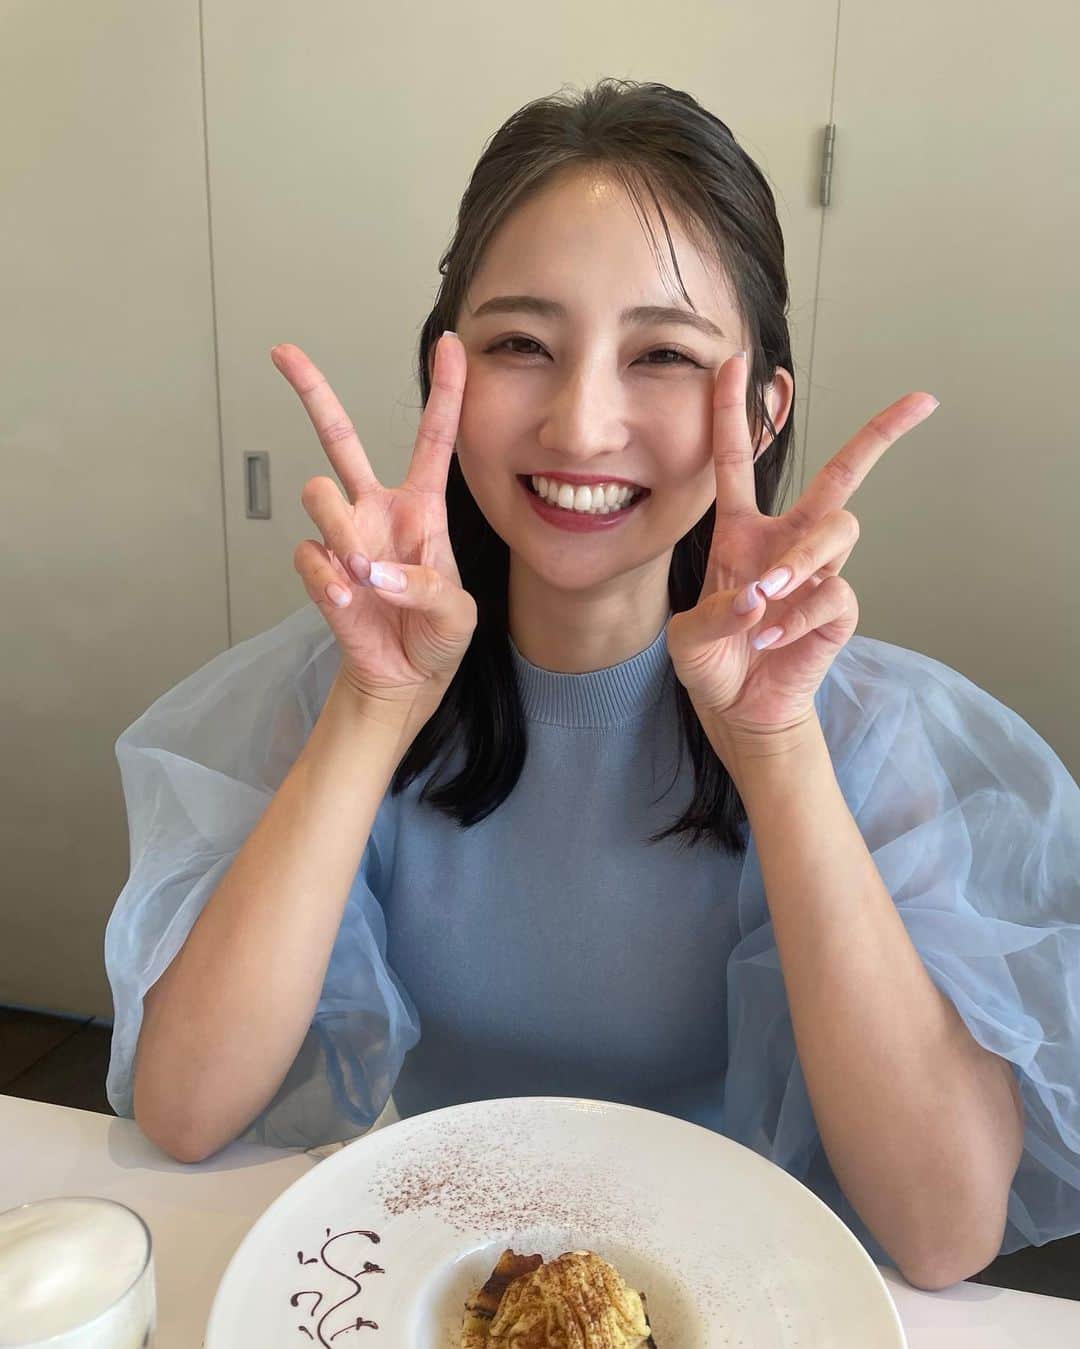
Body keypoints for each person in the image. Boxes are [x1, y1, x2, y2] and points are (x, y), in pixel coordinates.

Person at [104, 79, 1080, 1290]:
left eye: (662, 354)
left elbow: (942, 1228)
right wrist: (374, 708)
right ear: (446, 377)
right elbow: (187, 1107)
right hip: (443, 1280)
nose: (581, 424)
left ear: (762, 408)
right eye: (522, 344)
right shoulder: (354, 686)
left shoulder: (863, 728)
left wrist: (775, 745)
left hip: (731, 1291)